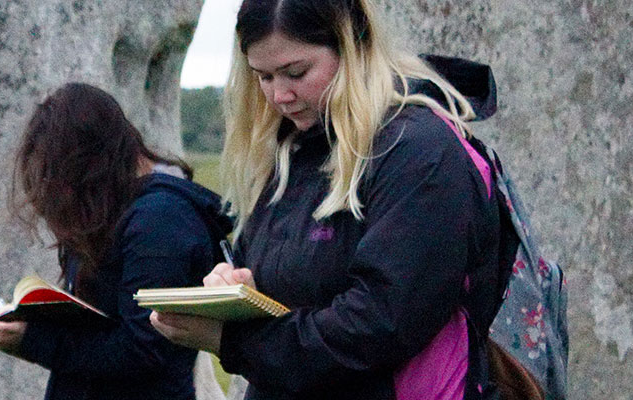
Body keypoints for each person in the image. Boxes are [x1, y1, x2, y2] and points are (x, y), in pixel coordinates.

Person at [148, 0, 519, 399]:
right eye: (263, 77)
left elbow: (381, 323)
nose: (280, 95)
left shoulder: (419, 153)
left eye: (296, 72)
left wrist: (233, 340)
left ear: (352, 45)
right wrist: (239, 289)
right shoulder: (291, 151)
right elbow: (300, 278)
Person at [0, 83, 233, 399]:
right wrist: (17, 326)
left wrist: (31, 340)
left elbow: (144, 350)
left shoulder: (160, 221)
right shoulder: (116, 211)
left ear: (89, 164)